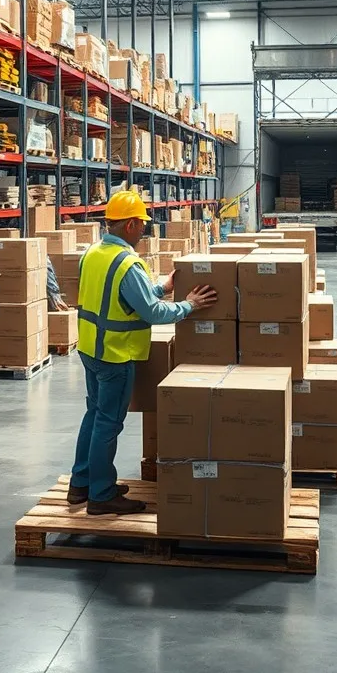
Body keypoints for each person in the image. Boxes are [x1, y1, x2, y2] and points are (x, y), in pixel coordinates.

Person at [69, 190, 218, 515]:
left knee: (93, 416)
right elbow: (152, 313)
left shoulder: (92, 253)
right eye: (142, 225)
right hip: (115, 355)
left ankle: (80, 484)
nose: (145, 230)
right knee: (108, 423)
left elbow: (120, 297)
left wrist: (161, 288)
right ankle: (102, 494)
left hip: (90, 349)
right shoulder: (127, 263)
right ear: (132, 224)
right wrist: (188, 305)